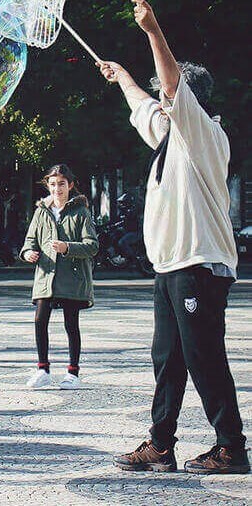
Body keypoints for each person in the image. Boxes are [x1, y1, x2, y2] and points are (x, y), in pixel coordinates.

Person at [101, 0, 248, 475]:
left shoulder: (205, 133)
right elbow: (143, 103)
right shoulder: (168, 136)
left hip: (198, 264)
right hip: (170, 267)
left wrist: (152, 30)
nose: (163, 105)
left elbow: (167, 87)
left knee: (204, 357)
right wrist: (122, 74)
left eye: (172, 100)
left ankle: (231, 447)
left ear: (189, 101)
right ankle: (160, 443)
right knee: (167, 358)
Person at [20, 164, 98, 390]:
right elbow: (29, 241)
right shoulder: (41, 211)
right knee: (39, 320)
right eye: (53, 184)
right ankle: (42, 369)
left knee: (71, 324)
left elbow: (92, 246)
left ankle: (73, 372)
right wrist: (28, 253)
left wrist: (67, 247)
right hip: (46, 275)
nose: (57, 189)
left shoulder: (80, 211)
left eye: (62, 184)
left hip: (72, 277)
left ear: (70, 185)